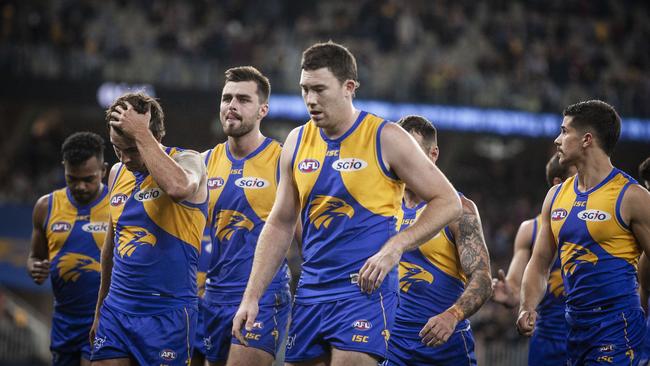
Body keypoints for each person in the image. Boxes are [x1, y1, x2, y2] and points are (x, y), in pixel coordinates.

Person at [232, 41, 462, 366]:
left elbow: (448, 201)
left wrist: (395, 247)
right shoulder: (296, 142)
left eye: (320, 89)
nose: (310, 99)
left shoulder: (387, 137)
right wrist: (251, 297)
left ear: (348, 87)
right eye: (304, 89)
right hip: (310, 293)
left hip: (363, 292)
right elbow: (281, 222)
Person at [518, 100, 650, 365]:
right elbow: (540, 262)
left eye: (565, 131)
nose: (558, 139)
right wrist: (527, 306)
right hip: (575, 330)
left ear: (587, 139)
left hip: (618, 331)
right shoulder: (555, 196)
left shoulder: (632, 196)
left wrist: (643, 297)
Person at [89, 92, 208, 365]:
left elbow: (178, 188)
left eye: (132, 149)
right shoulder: (117, 173)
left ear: (155, 136)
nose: (125, 158)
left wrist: (142, 134)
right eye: (117, 148)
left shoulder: (189, 160)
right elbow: (110, 250)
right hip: (116, 312)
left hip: (167, 316)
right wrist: (99, 311)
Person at [201, 66, 291, 366]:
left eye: (243, 99)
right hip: (211, 297)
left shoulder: (282, 161)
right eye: (227, 98)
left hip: (264, 294)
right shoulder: (204, 163)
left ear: (262, 109)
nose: (232, 106)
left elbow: (304, 231)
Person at [385, 116, 492, 366]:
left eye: (411, 151)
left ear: (433, 154)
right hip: (391, 347)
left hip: (443, 349)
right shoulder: (383, 206)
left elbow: (483, 279)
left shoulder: (459, 210)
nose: (402, 160)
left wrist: (452, 316)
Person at [27, 131, 109, 366]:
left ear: (103, 170)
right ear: (64, 168)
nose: (80, 186)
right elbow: (35, 256)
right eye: (72, 178)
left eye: (89, 179)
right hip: (64, 322)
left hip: (104, 320)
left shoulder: (118, 205)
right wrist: (35, 268)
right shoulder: (45, 206)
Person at [492, 154, 576, 365]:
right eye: (577, 176)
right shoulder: (530, 230)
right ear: (558, 183)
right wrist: (510, 295)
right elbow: (514, 284)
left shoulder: (596, 221)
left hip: (590, 335)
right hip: (547, 340)